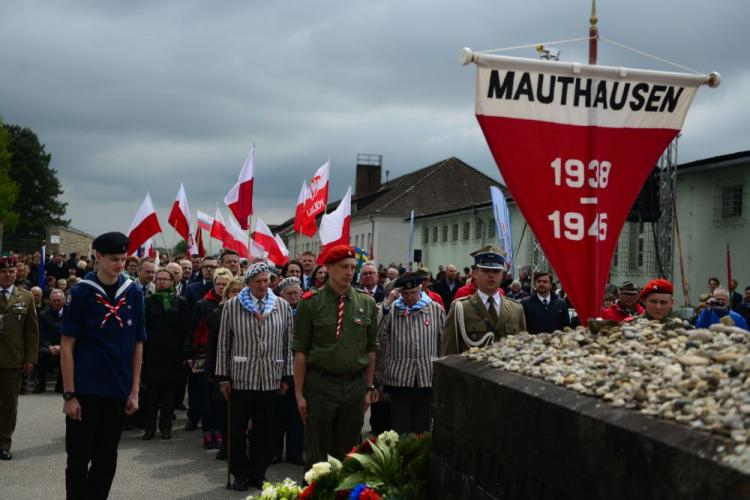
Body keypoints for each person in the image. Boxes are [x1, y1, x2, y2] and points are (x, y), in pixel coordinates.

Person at [60, 232, 146, 498]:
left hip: (117, 391)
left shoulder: (134, 292)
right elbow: (67, 345)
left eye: (122, 259)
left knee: (106, 460)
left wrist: (134, 391)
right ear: (98, 257)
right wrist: (70, 394)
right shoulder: (82, 292)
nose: (119, 264)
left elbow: (138, 343)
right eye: (113, 259)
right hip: (85, 391)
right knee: (78, 459)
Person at [292, 244, 379, 470]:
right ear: (329, 269)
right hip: (321, 384)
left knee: (349, 450)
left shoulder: (367, 303)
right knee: (317, 449)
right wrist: (299, 394)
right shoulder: (310, 303)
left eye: (352, 267)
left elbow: (371, 349)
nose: (349, 272)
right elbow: (300, 351)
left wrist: (369, 388)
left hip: (354, 384)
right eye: (343, 267)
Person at [216, 262, 294, 491]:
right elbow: (223, 344)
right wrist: (223, 377)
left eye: (266, 280)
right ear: (248, 282)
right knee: (237, 431)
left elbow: (288, 343)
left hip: (270, 377)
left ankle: (259, 473)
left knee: (265, 431)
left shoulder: (282, 306)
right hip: (241, 378)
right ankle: (240, 472)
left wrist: (286, 377)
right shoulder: (232, 305)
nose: (263, 285)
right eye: (258, 280)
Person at [378, 273, 445, 434]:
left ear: (420, 289)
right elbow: (378, 333)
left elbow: (443, 341)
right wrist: (387, 303)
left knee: (423, 426)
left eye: (413, 293)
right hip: (399, 377)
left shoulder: (435, 308)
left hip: (426, 376)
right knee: (400, 426)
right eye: (405, 294)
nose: (409, 297)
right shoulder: (392, 309)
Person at [440, 246, 526, 356]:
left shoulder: (516, 309)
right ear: (475, 273)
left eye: (496, 271)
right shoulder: (460, 308)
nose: (491, 275)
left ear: (502, 275)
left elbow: (523, 352)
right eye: (485, 270)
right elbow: (448, 354)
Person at [141, 268, 191, 440]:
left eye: (165, 279)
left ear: (172, 282)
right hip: (152, 354)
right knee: (151, 392)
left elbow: (186, 330)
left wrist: (185, 353)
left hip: (173, 354)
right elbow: (143, 327)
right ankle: (149, 427)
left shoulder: (180, 302)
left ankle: (166, 425)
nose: (161, 282)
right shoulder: (148, 301)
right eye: (159, 279)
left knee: (169, 392)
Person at [187, 267, 233, 445]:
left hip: (225, 357)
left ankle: (219, 430)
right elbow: (193, 330)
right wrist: (189, 354)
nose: (221, 287)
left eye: (224, 284)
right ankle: (208, 431)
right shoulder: (203, 304)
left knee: (220, 399)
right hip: (204, 356)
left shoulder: (233, 305)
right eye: (218, 284)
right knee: (205, 395)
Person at [0, 256, 39, 460]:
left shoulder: (26, 297)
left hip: (12, 360)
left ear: (17, 273)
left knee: (8, 404)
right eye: (4, 271)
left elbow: (31, 332)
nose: (8, 274)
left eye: (11, 271)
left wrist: (30, 358)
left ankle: (4, 442)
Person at [206, 276, 243, 461]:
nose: (236, 295)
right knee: (222, 409)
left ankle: (238, 446)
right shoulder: (218, 312)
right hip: (222, 369)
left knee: (239, 412)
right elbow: (213, 344)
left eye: (239, 291)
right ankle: (226, 445)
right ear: (227, 294)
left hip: (242, 370)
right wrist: (213, 371)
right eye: (233, 292)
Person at [271, 277, 305, 466]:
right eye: (289, 293)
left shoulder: (306, 310)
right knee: (277, 416)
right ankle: (275, 451)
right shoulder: (275, 310)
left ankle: (295, 452)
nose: (293, 297)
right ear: (280, 295)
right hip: (279, 369)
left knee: (297, 416)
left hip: (301, 371)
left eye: (296, 293)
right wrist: (282, 376)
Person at [35, 288, 65, 394]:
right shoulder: (43, 315)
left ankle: (60, 386)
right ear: (50, 301)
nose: (57, 302)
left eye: (59, 300)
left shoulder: (70, 314)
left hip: (64, 345)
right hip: (46, 346)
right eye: (54, 300)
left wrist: (61, 347)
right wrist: (49, 346)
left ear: (64, 301)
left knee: (67, 354)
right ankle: (41, 384)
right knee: (43, 353)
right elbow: (41, 334)